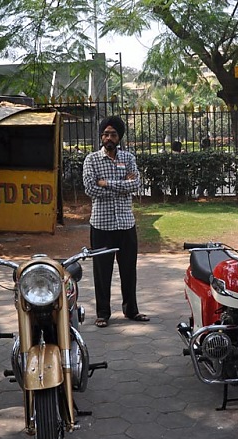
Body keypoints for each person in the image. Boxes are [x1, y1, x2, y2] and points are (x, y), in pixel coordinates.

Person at [83, 116, 149, 328]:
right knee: (102, 272)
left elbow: (136, 185)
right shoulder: (91, 160)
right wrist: (121, 184)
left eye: (112, 134)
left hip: (125, 224)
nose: (108, 138)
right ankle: (103, 313)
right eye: (105, 134)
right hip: (101, 225)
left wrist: (106, 183)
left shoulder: (128, 158)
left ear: (119, 137)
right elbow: (91, 189)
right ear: (101, 136)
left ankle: (132, 310)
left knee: (129, 269)